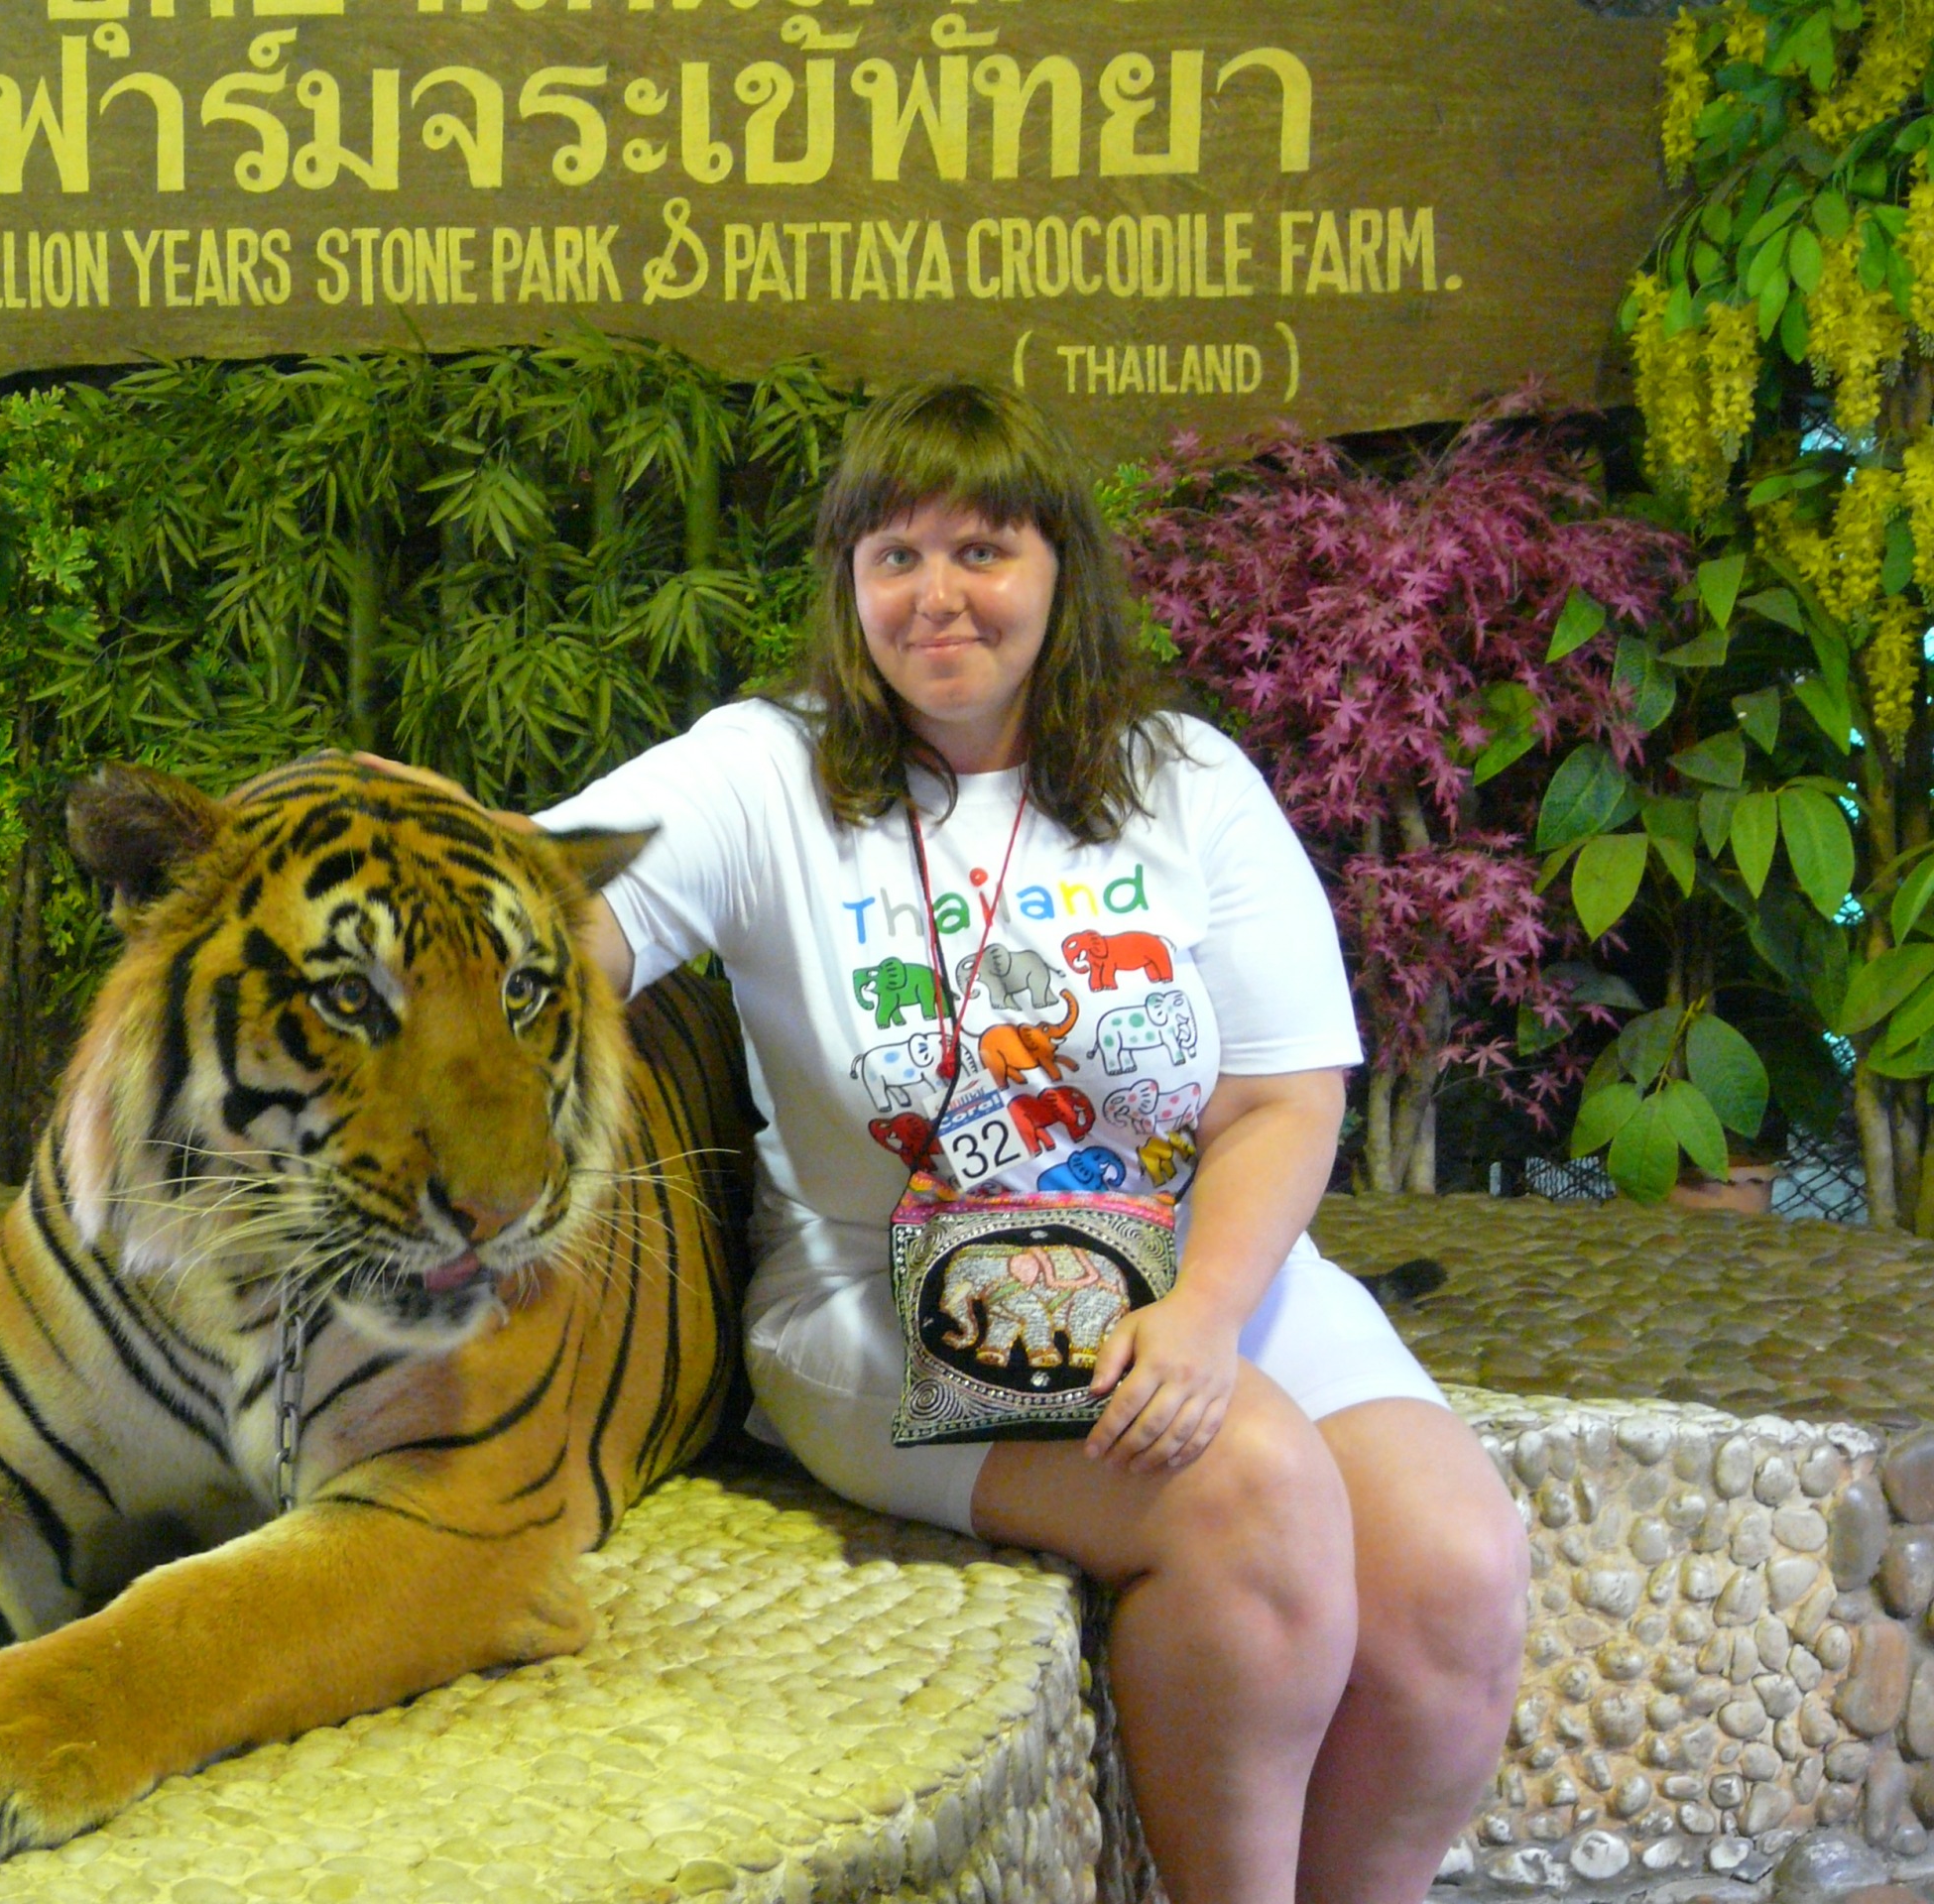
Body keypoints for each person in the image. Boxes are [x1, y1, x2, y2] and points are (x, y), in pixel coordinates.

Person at [387, 377, 1528, 1904]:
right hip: (890, 1288)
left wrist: (1201, 1314)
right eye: (896, 556)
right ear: (848, 581)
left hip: (1201, 1265)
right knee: (1252, 1495)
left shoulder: (1186, 780)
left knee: (1456, 1574)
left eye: (982, 549)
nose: (938, 594)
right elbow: (536, 914)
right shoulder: (763, 772)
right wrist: (433, 953)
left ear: (1060, 567)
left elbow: (1281, 1098)